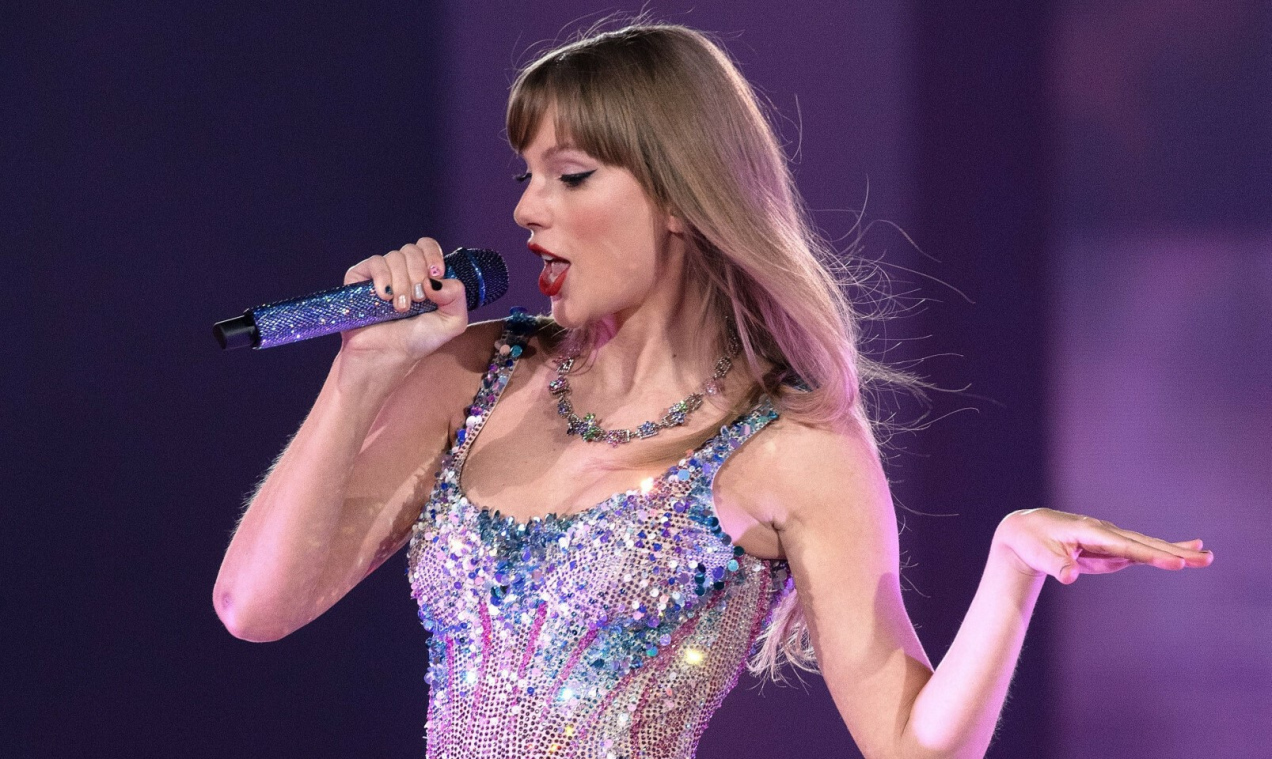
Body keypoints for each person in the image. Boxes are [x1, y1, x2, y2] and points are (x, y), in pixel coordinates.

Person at [213, 23, 1212, 759]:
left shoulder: (792, 448)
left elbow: (913, 744)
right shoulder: (473, 373)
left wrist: (1011, 569)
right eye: (525, 177)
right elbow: (252, 606)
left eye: (570, 176)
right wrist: (362, 371)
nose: (525, 211)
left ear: (678, 196)